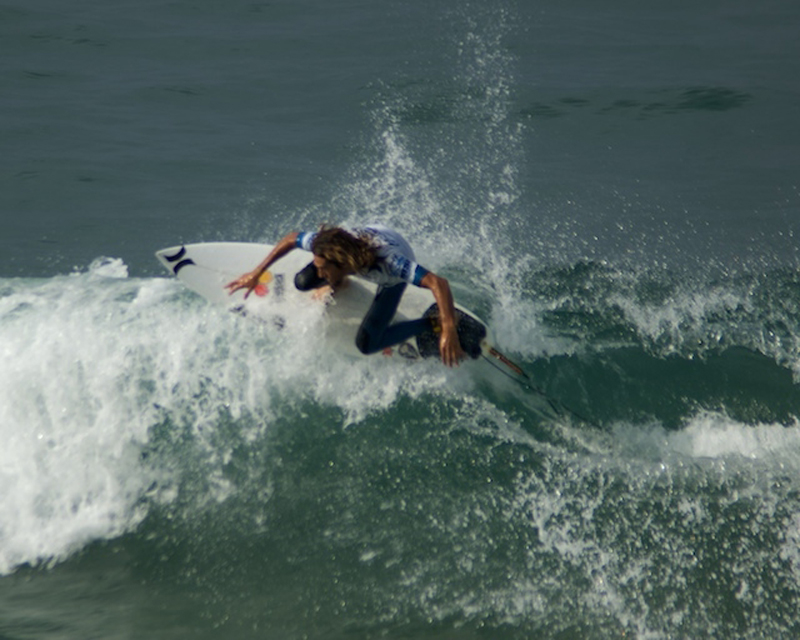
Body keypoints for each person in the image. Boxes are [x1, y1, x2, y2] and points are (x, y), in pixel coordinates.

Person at [225, 224, 466, 367]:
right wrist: (257, 272)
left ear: (340, 263)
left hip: (390, 275)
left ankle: (429, 324)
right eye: (317, 263)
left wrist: (449, 329)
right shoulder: (328, 247)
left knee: (367, 344)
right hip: (356, 250)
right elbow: (292, 237)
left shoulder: (391, 265)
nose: (318, 271)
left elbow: (438, 283)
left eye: (323, 268)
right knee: (303, 281)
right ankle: (338, 282)